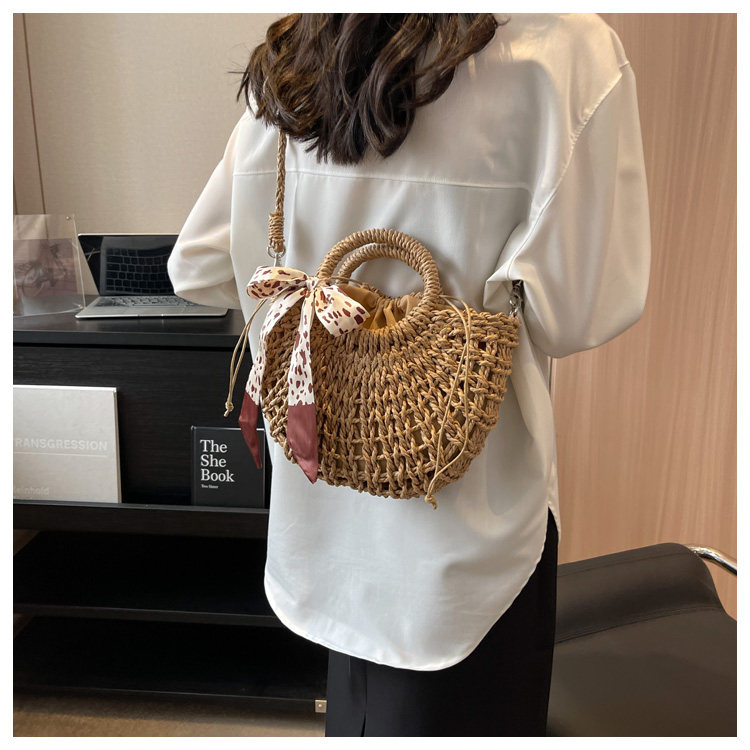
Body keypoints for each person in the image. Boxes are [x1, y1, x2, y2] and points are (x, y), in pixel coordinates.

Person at [167, 13, 651, 736]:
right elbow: (580, 311)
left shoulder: (302, 48)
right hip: (467, 536)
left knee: (360, 717)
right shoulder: (563, 50)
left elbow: (197, 266)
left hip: (324, 506)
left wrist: (335, 297)